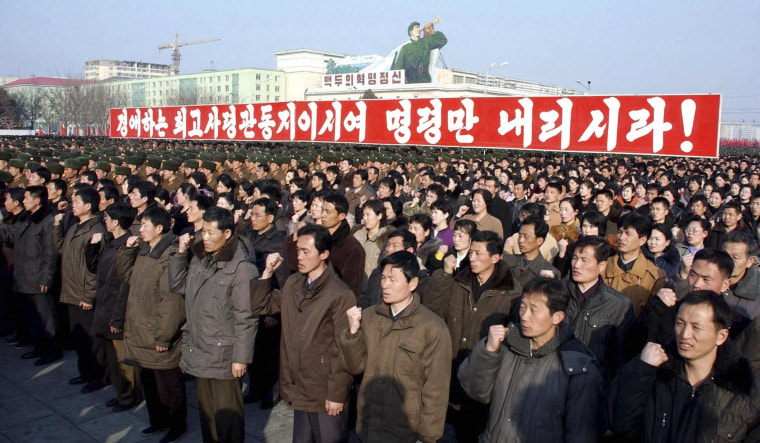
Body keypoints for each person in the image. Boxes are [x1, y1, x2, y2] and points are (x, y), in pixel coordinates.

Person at [457, 277, 603, 442]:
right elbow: (477, 392)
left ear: (557, 317)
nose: (524, 316)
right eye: (522, 307)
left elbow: (581, 433)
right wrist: (488, 352)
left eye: (534, 310)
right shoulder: (507, 344)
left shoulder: (577, 367)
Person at [251, 224, 356, 443]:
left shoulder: (340, 294)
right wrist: (267, 273)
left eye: (306, 252)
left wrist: (337, 394)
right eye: (298, 250)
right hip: (298, 385)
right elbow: (262, 305)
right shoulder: (294, 283)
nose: (299, 256)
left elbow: (343, 351)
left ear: (324, 254)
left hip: (324, 390)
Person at [609, 291, 760, 442]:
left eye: (696, 327)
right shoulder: (655, 373)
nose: (685, 334)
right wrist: (641, 371)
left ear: (721, 336)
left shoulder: (745, 390)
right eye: (680, 323)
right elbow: (620, 424)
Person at [338, 251, 452, 443]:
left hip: (405, 431)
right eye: (383, 278)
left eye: (392, 279)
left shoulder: (433, 328)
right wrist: (352, 334)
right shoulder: (369, 317)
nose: (384, 285)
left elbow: (436, 391)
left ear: (413, 283)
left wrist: (427, 438)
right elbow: (354, 367)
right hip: (368, 426)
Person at [168, 207, 258, 443]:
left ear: (227, 233)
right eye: (203, 231)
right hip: (200, 347)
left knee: (227, 418)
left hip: (224, 354)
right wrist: (179, 254)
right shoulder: (202, 258)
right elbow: (179, 286)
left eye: (210, 232)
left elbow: (246, 316)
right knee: (207, 415)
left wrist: (241, 357)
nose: (204, 237)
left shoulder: (242, 268)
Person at [422, 230, 521, 442]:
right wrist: (444, 275)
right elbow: (432, 310)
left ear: (495, 258)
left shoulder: (512, 293)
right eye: (471, 252)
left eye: (478, 253)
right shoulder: (459, 282)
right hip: (449, 373)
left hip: (482, 385)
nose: (471, 258)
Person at [117, 207, 187, 443]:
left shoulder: (169, 255)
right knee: (150, 381)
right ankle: (157, 421)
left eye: (146, 225)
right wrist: (127, 253)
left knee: (168, 384)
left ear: (160, 228)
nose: (141, 229)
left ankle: (176, 425)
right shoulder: (145, 251)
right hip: (142, 327)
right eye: (141, 224)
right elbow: (129, 277)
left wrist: (164, 337)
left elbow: (172, 303)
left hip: (158, 332)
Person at [85, 202, 142, 412]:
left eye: (107, 218)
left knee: (124, 361)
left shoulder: (128, 245)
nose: (105, 221)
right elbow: (94, 268)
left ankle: (130, 396)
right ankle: (121, 393)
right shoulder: (110, 241)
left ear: (116, 222)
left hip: (118, 311)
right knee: (112, 359)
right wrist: (92, 246)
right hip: (106, 306)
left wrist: (118, 318)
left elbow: (125, 286)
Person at [51, 186, 108, 392]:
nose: (72, 205)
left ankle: (98, 376)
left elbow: (95, 270)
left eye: (76, 202)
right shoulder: (75, 227)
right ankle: (85, 372)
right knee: (79, 337)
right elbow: (59, 249)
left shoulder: (96, 231)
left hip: (84, 294)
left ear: (89, 206)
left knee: (92, 340)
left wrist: (89, 296)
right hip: (71, 291)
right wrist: (57, 226)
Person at [0, 186, 61, 365]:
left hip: (38, 277)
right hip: (25, 277)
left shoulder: (47, 220)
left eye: (26, 198)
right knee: (33, 316)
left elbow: (51, 253)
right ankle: (39, 346)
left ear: (37, 200)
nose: (23, 201)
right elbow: (11, 235)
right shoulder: (25, 218)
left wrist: (46, 278)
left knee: (46, 317)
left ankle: (52, 350)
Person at [564, 235, 635, 383]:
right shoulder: (558, 294)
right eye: (575, 258)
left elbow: (619, 358)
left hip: (593, 384)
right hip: (555, 379)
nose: (576, 265)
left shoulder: (619, 305)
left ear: (601, 266)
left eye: (584, 260)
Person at [603, 212, 666, 316]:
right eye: (620, 232)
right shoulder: (602, 267)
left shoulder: (655, 276)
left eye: (628, 233)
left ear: (642, 240)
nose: (621, 237)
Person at [502, 215, 560, 287]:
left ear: (539, 241)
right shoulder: (506, 262)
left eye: (526, 236)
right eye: (520, 236)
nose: (521, 240)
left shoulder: (548, 271)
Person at [392, 19, 447, 84]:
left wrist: (431, 31)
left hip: (424, 78)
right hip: (410, 79)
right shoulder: (405, 48)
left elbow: (443, 40)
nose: (419, 29)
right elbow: (398, 68)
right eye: (416, 27)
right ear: (411, 32)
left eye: (419, 27)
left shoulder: (426, 41)